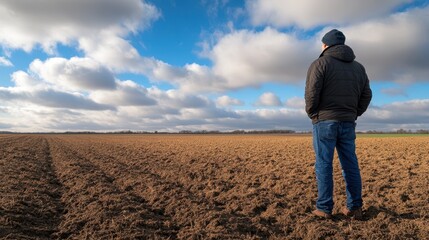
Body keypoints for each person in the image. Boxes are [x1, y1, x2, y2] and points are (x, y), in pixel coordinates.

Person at [305, 29, 372, 220]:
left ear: (326, 45)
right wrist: (353, 113)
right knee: (350, 164)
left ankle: (324, 208)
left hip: (324, 121)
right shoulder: (359, 67)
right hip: (347, 122)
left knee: (324, 164)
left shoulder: (320, 63)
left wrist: (313, 113)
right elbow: (367, 94)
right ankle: (355, 208)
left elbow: (311, 93)